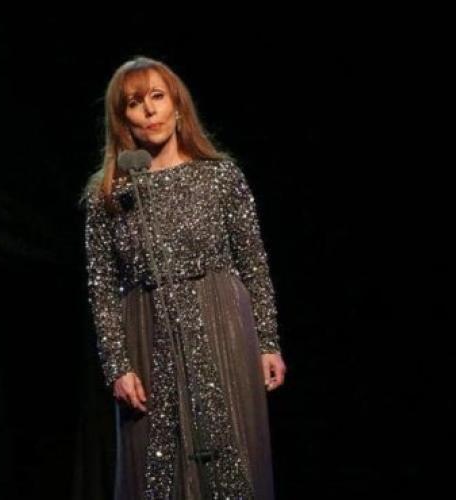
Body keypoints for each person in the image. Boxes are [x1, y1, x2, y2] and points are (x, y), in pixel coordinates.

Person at [81, 56, 287, 499]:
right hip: (145, 329)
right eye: (135, 103)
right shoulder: (110, 196)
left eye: (158, 96)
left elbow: (253, 262)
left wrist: (268, 341)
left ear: (177, 105)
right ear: (122, 119)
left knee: (234, 460)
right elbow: (101, 287)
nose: (149, 110)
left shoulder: (220, 177)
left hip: (222, 322)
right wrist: (117, 365)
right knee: (155, 472)